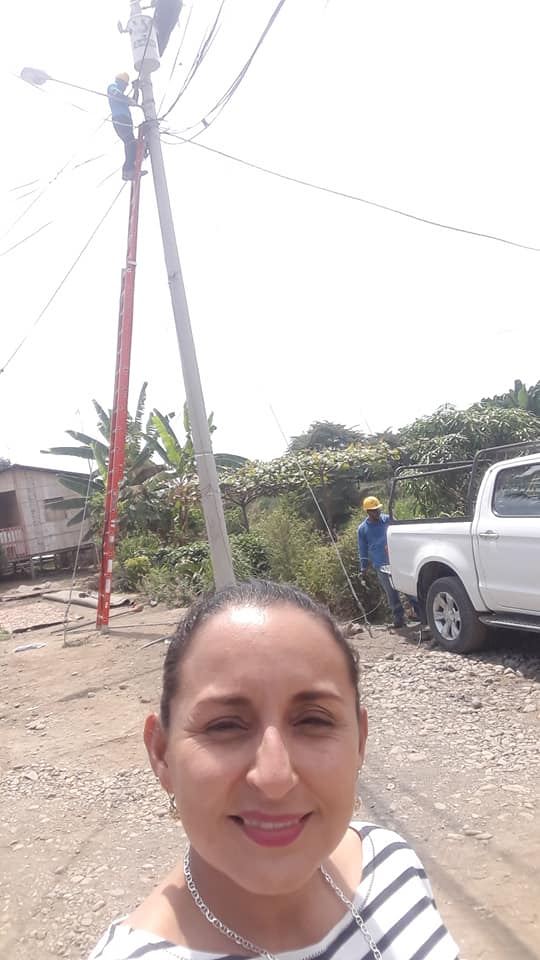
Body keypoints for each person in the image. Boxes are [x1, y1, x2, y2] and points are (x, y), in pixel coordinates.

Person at [89, 580, 459, 960]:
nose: (274, 778)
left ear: (360, 742)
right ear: (162, 753)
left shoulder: (392, 866)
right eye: (225, 726)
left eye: (314, 720)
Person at [358, 496, 420, 628]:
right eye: (374, 510)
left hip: (398, 561)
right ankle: (399, 619)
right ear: (368, 512)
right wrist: (363, 567)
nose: (377, 512)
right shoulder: (363, 529)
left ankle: (422, 614)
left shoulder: (388, 520)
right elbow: (362, 549)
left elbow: (401, 535)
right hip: (381, 565)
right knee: (391, 593)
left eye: (378, 509)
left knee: (409, 589)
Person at [107, 72, 142, 181]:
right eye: (125, 85)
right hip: (120, 119)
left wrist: (136, 89)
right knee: (130, 143)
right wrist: (127, 99)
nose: (125, 88)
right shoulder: (113, 86)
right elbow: (115, 93)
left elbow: (134, 102)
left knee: (131, 144)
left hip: (125, 121)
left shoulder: (122, 97)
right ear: (120, 82)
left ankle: (130, 170)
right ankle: (128, 171)